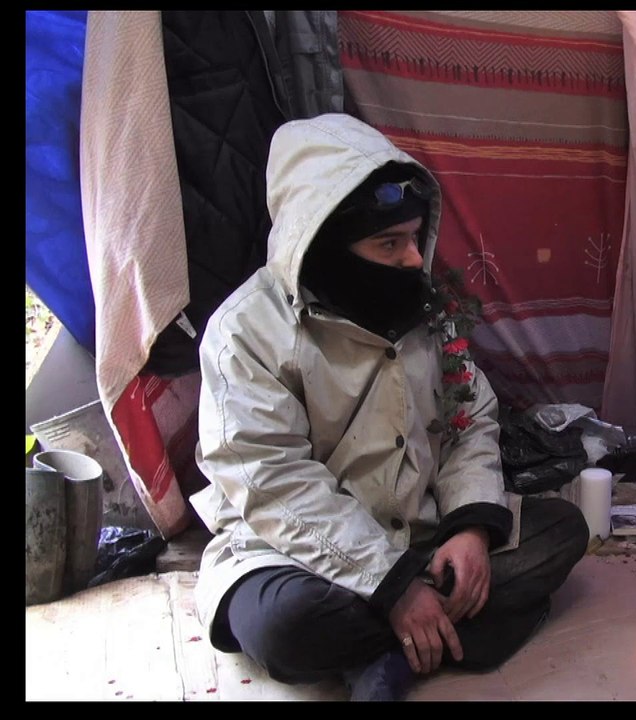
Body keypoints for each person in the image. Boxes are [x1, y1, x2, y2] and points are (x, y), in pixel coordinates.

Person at [189, 113, 589, 702]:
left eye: (412, 237)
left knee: (563, 531)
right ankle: (431, 632)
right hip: (292, 553)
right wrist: (391, 584)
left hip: (420, 534)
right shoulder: (246, 333)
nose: (410, 259)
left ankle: (393, 646)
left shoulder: (425, 309)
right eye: (387, 243)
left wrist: (472, 527)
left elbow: (469, 421)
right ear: (326, 242)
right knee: (284, 626)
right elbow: (272, 480)